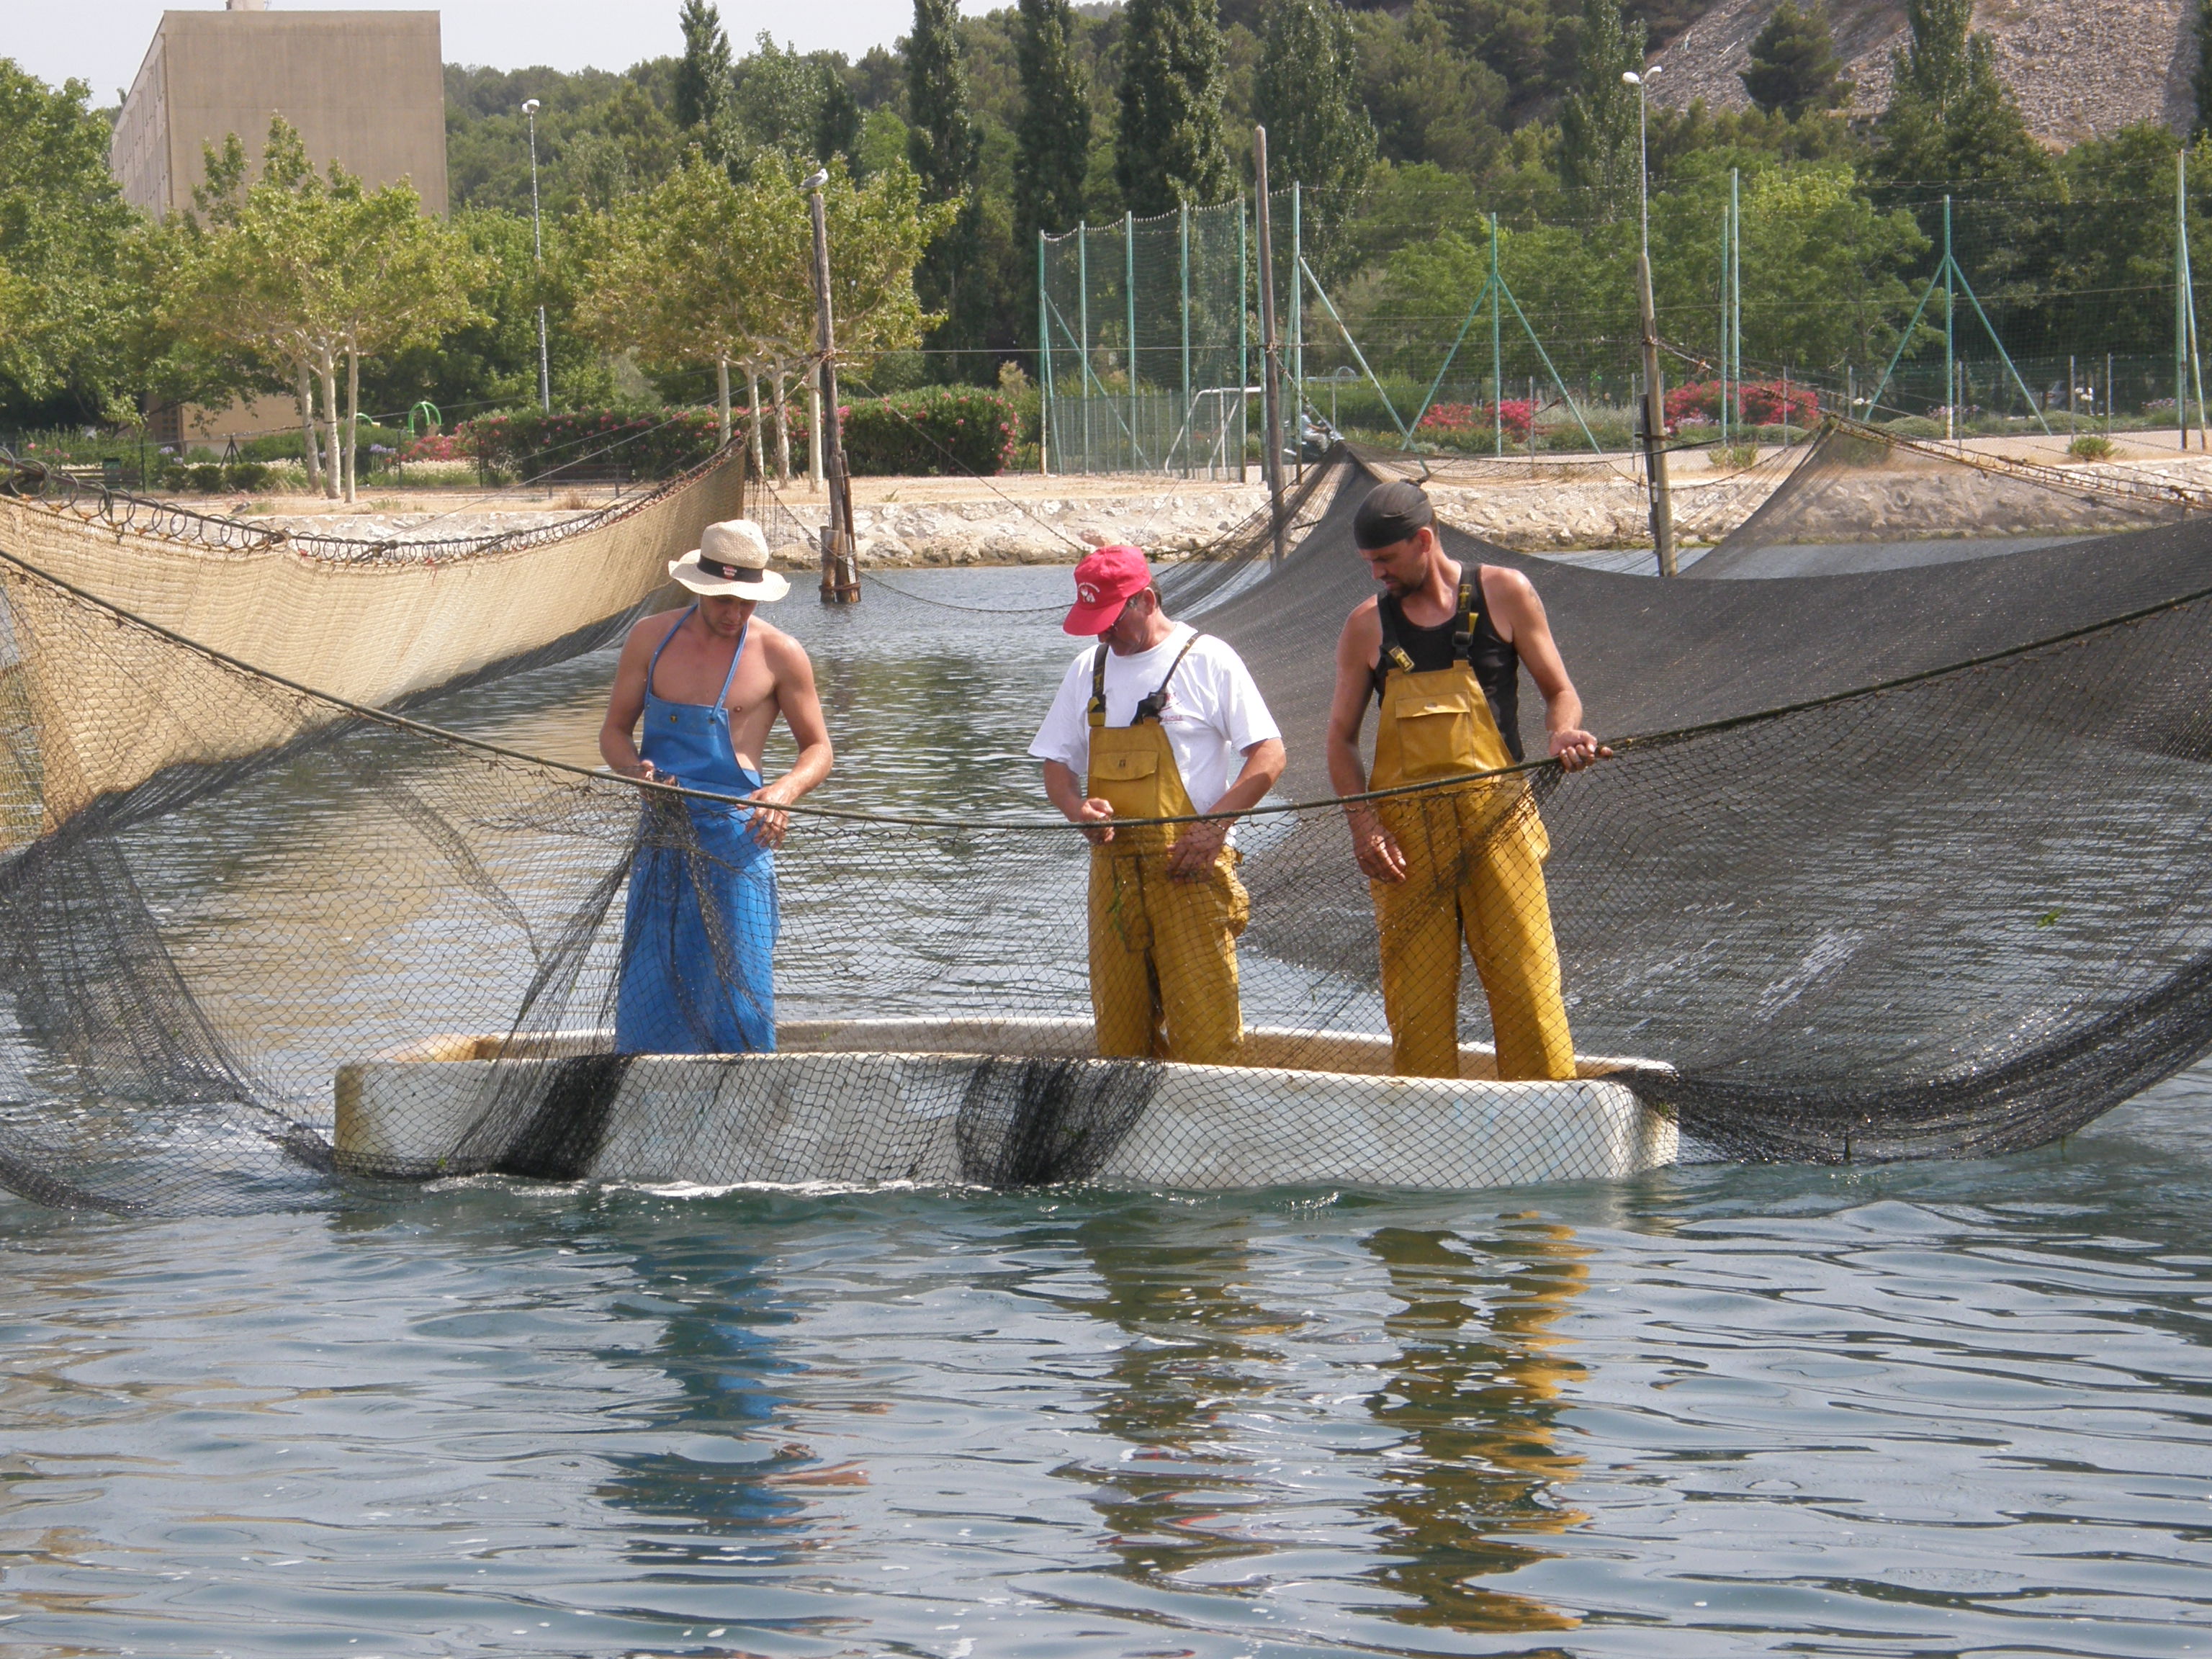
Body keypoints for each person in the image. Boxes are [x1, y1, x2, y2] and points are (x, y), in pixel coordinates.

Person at [1323, 481, 1608, 1082]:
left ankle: (1548, 1120)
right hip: (1403, 842)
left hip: (1499, 827)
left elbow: (1560, 692)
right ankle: (1428, 1142)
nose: (1377, 575)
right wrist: (1363, 825)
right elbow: (1340, 740)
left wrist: (1563, 734)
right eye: (1369, 563)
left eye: (1386, 560)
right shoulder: (1364, 628)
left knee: (1526, 988)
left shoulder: (1505, 592)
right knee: (1416, 1006)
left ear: (1423, 540)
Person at [1030, 545, 1286, 1066]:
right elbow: (1056, 763)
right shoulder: (1089, 670)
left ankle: (1211, 1136)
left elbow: (1269, 754)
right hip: (1114, 878)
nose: (1103, 635)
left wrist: (1216, 825)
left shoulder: (1208, 659)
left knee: (1206, 1035)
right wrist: (1075, 809)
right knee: (1121, 1036)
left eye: (1110, 620)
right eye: (1093, 624)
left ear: (1146, 600)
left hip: (1190, 871)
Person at [598, 518, 832, 1054]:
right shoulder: (649, 640)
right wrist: (636, 771)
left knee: (739, 987)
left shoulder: (781, 653)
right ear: (698, 587)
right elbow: (614, 733)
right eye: (724, 599)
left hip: (739, 840)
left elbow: (819, 750)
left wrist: (783, 792)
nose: (735, 613)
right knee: (652, 981)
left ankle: (746, 1099)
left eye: (746, 601)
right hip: (662, 837)